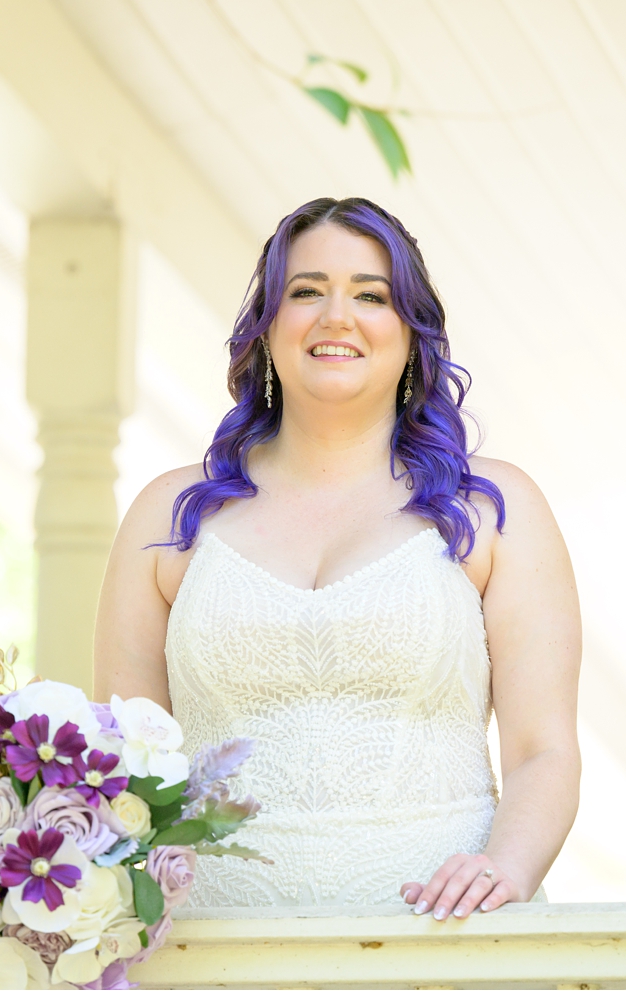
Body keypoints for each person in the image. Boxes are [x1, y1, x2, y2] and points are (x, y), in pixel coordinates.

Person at [94, 197, 582, 918]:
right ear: (266, 327)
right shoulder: (170, 517)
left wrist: (502, 869)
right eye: (306, 291)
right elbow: (125, 768)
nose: (336, 316)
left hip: (449, 952)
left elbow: (545, 750)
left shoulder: (493, 508)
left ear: (411, 333)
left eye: (370, 295)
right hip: (212, 960)